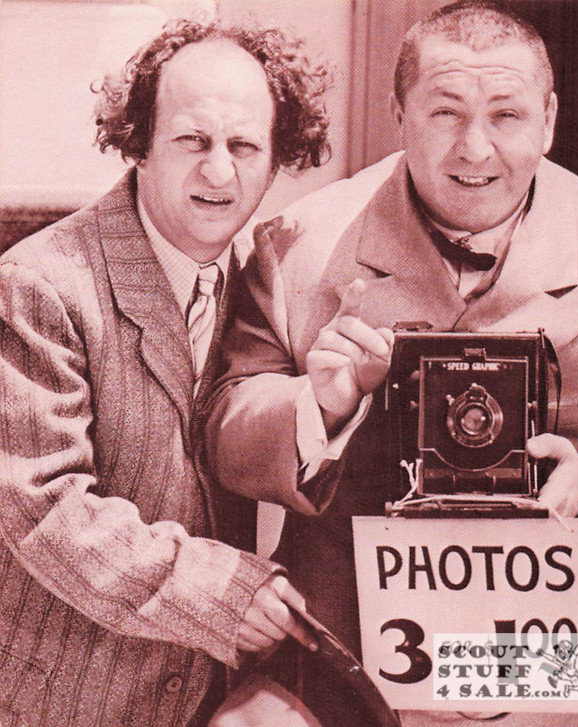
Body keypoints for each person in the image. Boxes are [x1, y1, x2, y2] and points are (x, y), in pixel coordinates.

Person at [206, 1, 578, 722]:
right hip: (340, 637)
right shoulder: (297, 245)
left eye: (507, 115)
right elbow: (227, 423)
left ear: (550, 119)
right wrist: (320, 406)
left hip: (533, 649)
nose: (475, 149)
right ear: (397, 112)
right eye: (445, 114)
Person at [0, 19, 332, 726]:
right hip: (56, 702)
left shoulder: (263, 288)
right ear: (139, 143)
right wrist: (222, 590)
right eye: (192, 141)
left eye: (245, 146)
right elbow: (42, 507)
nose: (220, 172)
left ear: (277, 161)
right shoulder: (38, 283)